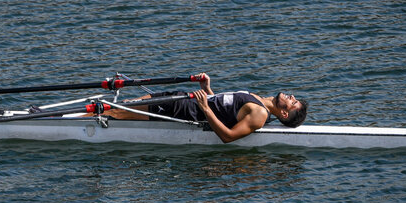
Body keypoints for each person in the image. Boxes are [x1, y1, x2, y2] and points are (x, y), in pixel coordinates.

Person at [101, 73, 308, 143]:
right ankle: (85, 115)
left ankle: (75, 120)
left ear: (284, 113)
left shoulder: (260, 114)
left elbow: (228, 137)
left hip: (184, 111)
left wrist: (205, 109)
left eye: (293, 102)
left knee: (116, 111)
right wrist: (208, 90)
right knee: (122, 106)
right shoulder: (259, 101)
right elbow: (224, 108)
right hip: (184, 99)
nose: (291, 97)